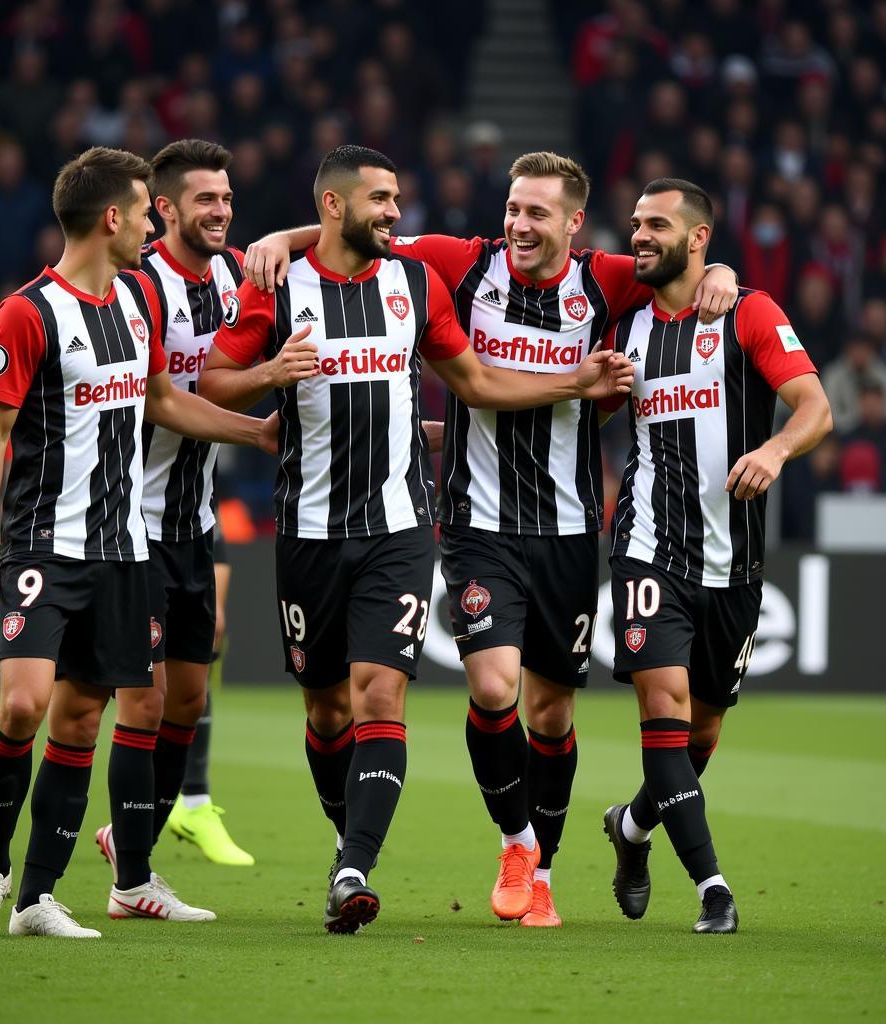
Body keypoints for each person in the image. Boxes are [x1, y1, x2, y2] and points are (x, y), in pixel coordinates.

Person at [244, 151, 738, 926]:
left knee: (551, 715)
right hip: (477, 524)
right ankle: (516, 844)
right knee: (493, 686)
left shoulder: (605, 279)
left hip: (571, 529)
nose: (519, 225)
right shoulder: (460, 264)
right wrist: (283, 233)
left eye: (537, 213)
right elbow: (358, 232)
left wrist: (726, 274)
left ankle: (544, 868)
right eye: (513, 209)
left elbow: (675, 254)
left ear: (574, 224)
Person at [0, 146, 277, 940]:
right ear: (113, 218)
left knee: (81, 724)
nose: (149, 225)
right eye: (141, 211)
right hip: (40, 545)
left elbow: (164, 398)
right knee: (24, 705)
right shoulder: (27, 313)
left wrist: (258, 432)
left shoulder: (136, 298)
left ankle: (36, 898)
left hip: (125, 551)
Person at [600, 178, 831, 934]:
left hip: (734, 563)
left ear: (698, 239)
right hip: (646, 551)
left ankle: (632, 829)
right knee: (662, 711)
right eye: (635, 223)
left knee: (699, 736)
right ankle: (713, 889)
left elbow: (815, 408)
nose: (639, 235)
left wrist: (775, 447)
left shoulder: (748, 311)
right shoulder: (623, 328)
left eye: (657, 225)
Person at [91, 138, 254, 880]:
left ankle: (133, 849)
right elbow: (161, 404)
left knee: (188, 701)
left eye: (226, 197)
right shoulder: (141, 286)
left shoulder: (239, 275)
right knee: (140, 706)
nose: (220, 211)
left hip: (196, 520)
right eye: (205, 200)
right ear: (164, 209)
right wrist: (261, 420)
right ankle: (129, 872)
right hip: (133, 523)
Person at [166, 490, 255, 865]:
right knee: (102, 701)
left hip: (186, 547)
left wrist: (216, 604)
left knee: (189, 685)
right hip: (111, 546)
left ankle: (194, 803)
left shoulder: (202, 457)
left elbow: (213, 516)